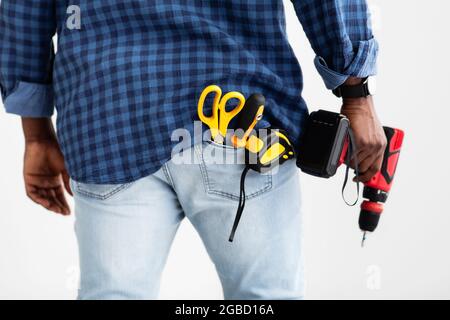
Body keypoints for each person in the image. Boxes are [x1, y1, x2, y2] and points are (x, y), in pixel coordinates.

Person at [0, 0, 386, 300]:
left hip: (109, 117)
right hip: (239, 114)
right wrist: (355, 91)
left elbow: (23, 9)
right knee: (265, 298)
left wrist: (35, 132)